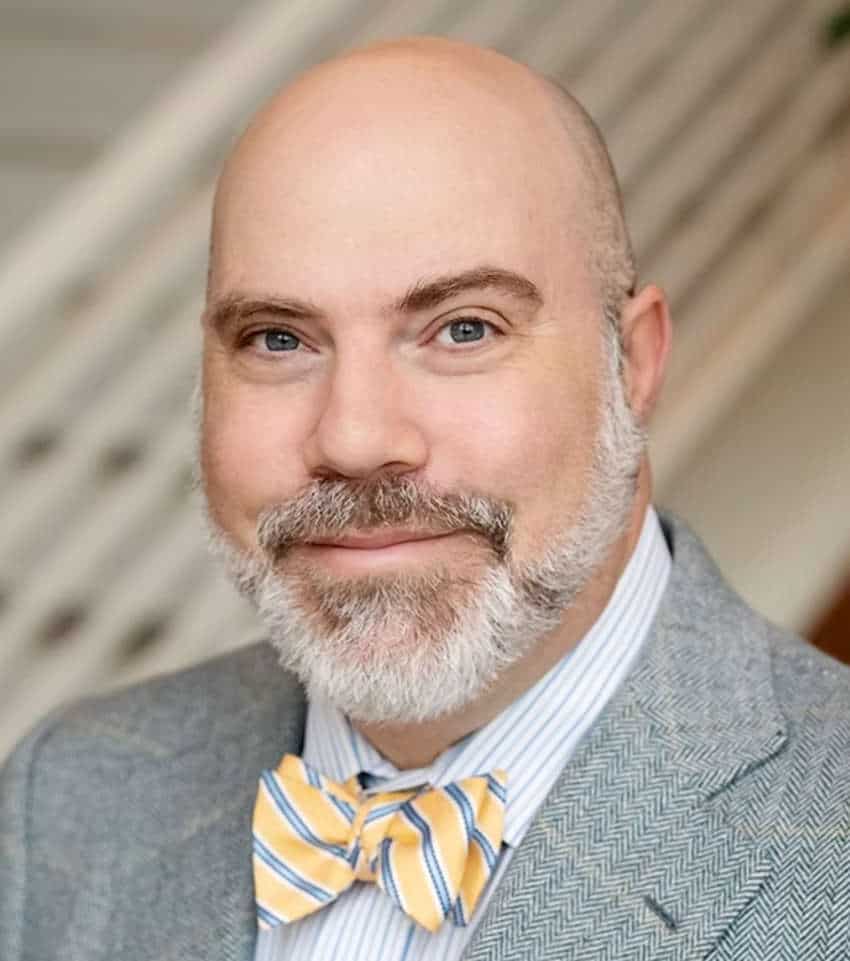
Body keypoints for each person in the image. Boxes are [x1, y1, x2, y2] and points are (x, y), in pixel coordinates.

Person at [2, 36, 849, 961]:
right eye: (279, 339)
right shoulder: (69, 793)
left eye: (463, 328)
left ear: (634, 363)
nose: (356, 439)